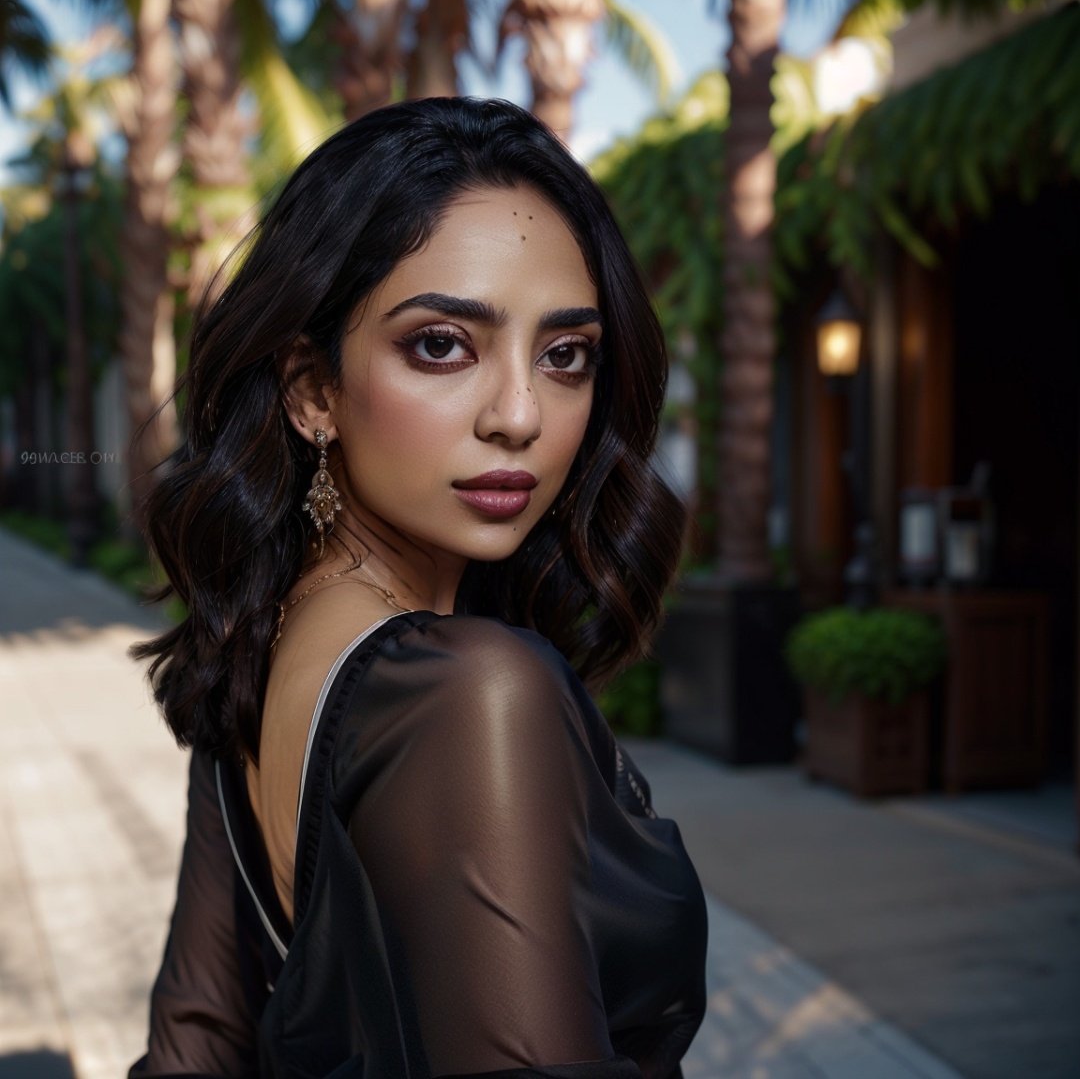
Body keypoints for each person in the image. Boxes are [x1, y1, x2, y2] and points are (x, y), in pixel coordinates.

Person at [130, 96, 707, 1079]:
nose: (520, 415)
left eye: (565, 356)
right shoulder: (473, 695)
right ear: (313, 390)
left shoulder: (253, 651)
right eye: (442, 344)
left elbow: (191, 1049)